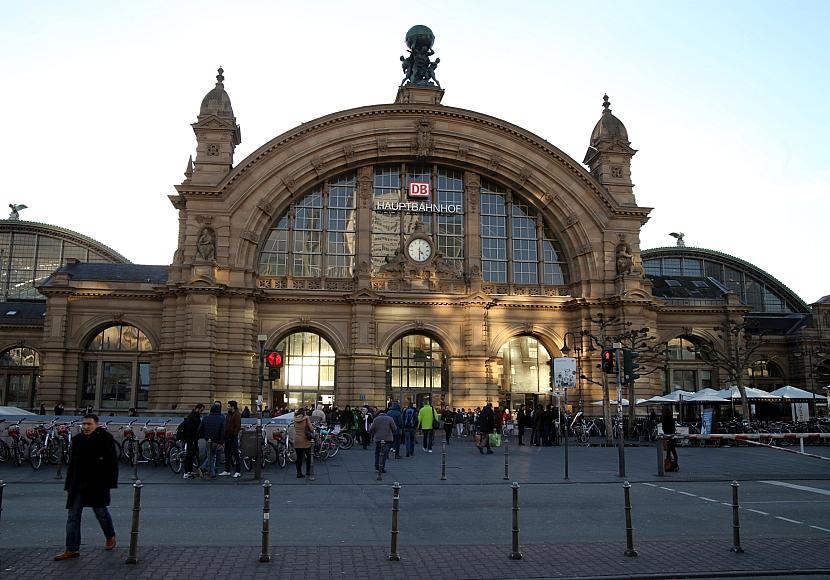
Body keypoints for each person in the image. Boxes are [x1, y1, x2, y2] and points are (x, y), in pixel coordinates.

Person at [53, 413, 118, 561]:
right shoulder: (78, 440)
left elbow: (112, 463)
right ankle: (72, 548)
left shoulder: (105, 439)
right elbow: (72, 465)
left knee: (101, 513)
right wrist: (69, 485)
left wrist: (109, 483)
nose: (86, 427)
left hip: (97, 484)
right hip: (78, 484)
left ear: (96, 424)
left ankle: (110, 536)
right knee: (72, 517)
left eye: (89, 424)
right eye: (84, 424)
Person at [198, 402, 225, 478]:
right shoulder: (222, 418)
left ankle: (210, 471)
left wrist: (204, 436)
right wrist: (221, 442)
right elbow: (222, 431)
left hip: (208, 440)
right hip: (217, 440)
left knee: (211, 456)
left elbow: (200, 429)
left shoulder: (206, 418)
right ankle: (207, 470)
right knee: (211, 456)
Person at [368, 408, 397, 473]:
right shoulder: (390, 419)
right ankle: (382, 467)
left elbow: (371, 429)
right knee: (384, 453)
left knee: (377, 452)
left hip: (378, 438)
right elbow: (394, 428)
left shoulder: (376, 419)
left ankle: (376, 466)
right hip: (388, 439)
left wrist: (373, 433)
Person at [219, 400, 242, 478]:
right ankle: (227, 470)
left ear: (232, 407)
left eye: (228, 406)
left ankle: (238, 471)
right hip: (227, 436)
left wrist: (234, 434)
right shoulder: (228, 414)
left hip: (233, 437)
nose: (227, 407)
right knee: (227, 454)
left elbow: (237, 426)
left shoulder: (237, 414)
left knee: (236, 454)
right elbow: (226, 425)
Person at [181, 403, 204, 479]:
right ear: (197, 408)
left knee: (192, 455)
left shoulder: (195, 416)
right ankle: (186, 472)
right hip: (191, 438)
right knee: (189, 455)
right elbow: (192, 429)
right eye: (201, 410)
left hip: (194, 438)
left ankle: (189, 471)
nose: (201, 412)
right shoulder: (192, 417)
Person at [293, 409, 314, 478]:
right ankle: (308, 471)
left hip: (297, 440)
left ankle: (298, 473)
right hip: (305, 440)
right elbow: (311, 429)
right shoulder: (306, 418)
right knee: (308, 456)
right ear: (303, 413)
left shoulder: (295, 419)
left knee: (299, 458)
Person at [662, 405, 678, 471]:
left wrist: (666, 433)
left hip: (667, 435)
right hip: (671, 435)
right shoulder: (671, 418)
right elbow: (673, 427)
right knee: (673, 451)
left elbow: (663, 427)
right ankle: (674, 464)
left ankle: (668, 465)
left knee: (669, 451)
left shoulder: (664, 418)